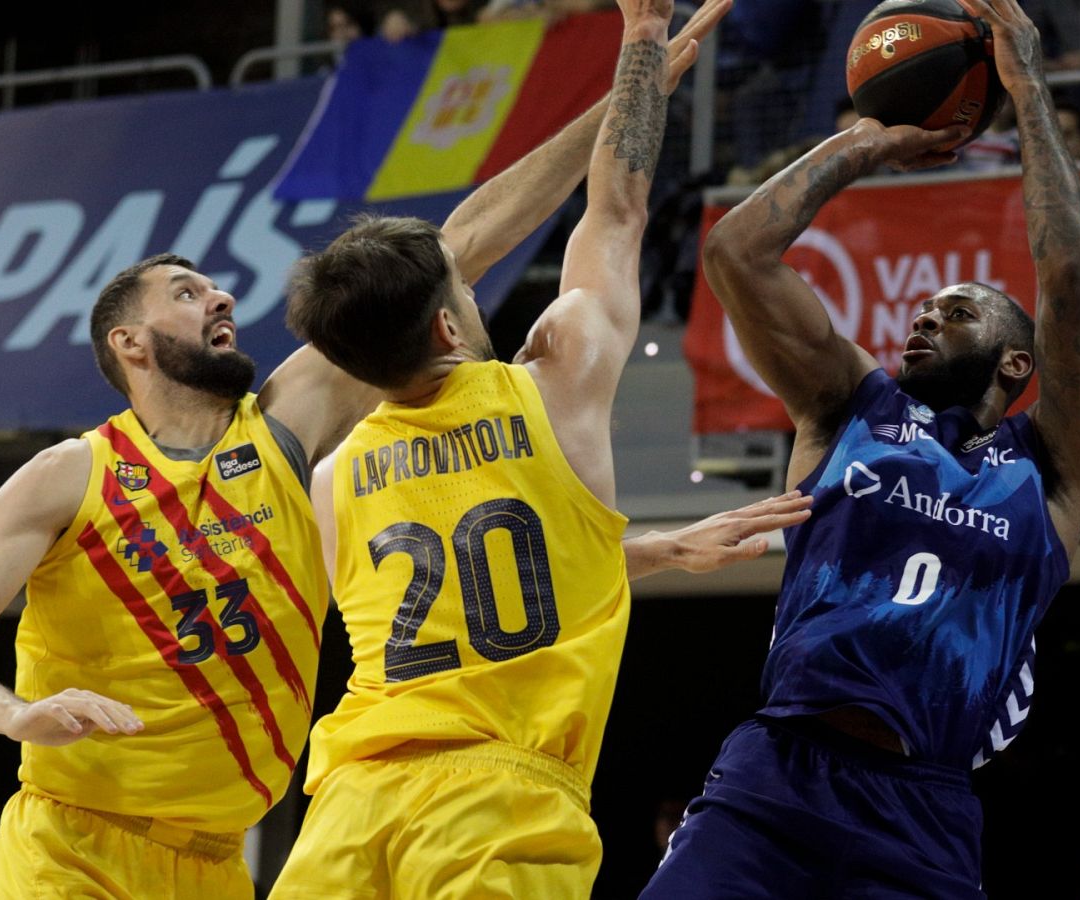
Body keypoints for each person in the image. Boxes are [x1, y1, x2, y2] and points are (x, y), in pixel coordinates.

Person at [0, 2, 765, 897]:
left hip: (226, 859)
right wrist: (13, 713)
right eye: (188, 293)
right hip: (71, 846)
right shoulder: (72, 472)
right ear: (129, 343)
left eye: (216, 286)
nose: (220, 298)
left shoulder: (286, 434)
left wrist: (628, 95)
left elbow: (449, 251)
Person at [266, 0, 783, 895]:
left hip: (347, 811)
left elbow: (465, 588)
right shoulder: (554, 380)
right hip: (498, 799)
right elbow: (616, 212)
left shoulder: (332, 478)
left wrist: (652, 550)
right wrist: (642, 36)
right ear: (446, 321)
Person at [640, 0, 1080, 895]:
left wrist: (1028, 90)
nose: (926, 314)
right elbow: (739, 253)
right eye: (923, 307)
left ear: (1019, 361)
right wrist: (867, 142)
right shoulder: (847, 404)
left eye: (958, 311)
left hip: (921, 809)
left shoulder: (1051, 468)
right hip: (776, 774)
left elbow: (1072, 282)